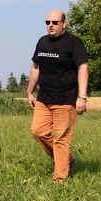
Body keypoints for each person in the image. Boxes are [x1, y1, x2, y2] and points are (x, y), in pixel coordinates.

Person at [26, 9, 88, 183]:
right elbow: (36, 68)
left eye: (55, 22)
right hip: (44, 98)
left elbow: (83, 68)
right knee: (38, 131)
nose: (50, 25)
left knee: (61, 139)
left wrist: (82, 97)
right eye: (47, 22)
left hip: (66, 99)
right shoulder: (42, 42)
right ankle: (66, 160)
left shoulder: (74, 43)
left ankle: (59, 180)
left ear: (64, 24)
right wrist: (29, 91)